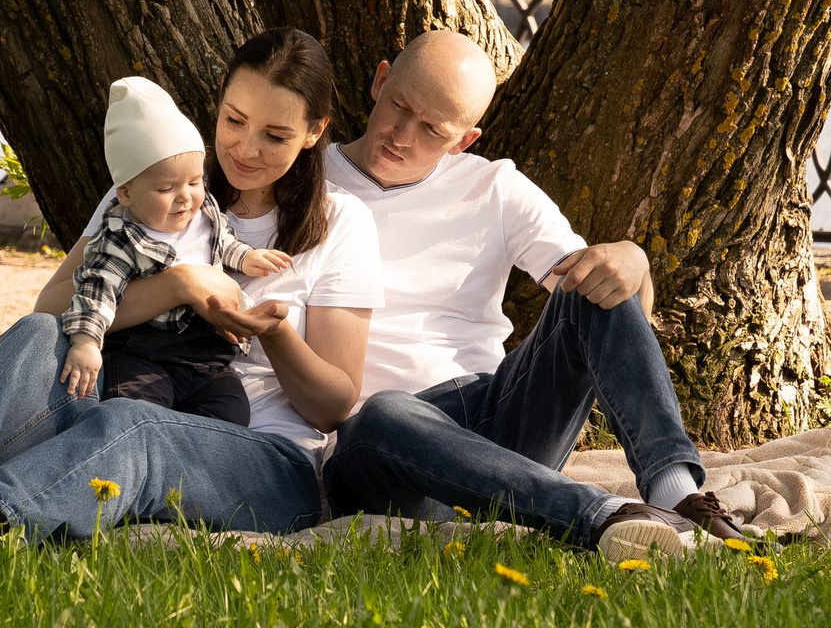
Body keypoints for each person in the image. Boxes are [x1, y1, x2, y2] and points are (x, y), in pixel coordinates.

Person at [0, 27, 378, 551]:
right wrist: (178, 283)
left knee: (133, 423)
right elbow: (53, 306)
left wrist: (273, 331)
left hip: (264, 461)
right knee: (41, 334)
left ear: (315, 131)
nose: (246, 149)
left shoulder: (339, 221)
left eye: (275, 135)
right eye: (234, 121)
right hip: (130, 389)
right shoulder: (157, 184)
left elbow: (333, 404)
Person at [318, 30, 758, 561]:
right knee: (388, 412)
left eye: (433, 129)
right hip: (380, 449)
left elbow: (616, 311)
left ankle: (679, 498)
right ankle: (605, 516)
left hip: (496, 421)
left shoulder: (494, 188)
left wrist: (634, 262)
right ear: (379, 79)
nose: (403, 135)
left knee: (594, 275)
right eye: (400, 106)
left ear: (464, 140)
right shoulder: (304, 184)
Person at [58, 76, 290, 424]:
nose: (186, 197)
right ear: (125, 193)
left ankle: (193, 470)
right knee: (135, 414)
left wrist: (245, 256)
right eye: (167, 188)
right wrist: (86, 343)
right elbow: (96, 290)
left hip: (207, 357)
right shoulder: (122, 238)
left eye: (195, 182)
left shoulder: (203, 212)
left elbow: (220, 242)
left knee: (230, 415)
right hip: (144, 354)